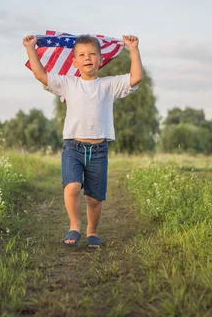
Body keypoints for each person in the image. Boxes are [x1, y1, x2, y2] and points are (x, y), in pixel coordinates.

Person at [23, 33, 143, 249]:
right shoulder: (69, 83)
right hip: (73, 147)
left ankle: (93, 231)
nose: (87, 58)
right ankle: (74, 226)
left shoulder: (109, 85)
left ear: (100, 59)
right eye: (82, 55)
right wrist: (31, 49)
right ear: (74, 61)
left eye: (92, 54)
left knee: (94, 199)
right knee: (72, 186)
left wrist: (133, 49)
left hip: (98, 150)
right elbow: (41, 75)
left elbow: (135, 78)